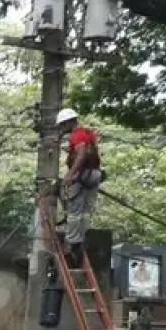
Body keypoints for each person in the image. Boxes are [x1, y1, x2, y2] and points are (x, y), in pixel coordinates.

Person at [55, 107, 103, 264]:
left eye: (63, 125)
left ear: (69, 122)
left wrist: (70, 175)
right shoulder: (89, 132)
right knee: (86, 211)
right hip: (95, 174)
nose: (63, 128)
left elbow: (81, 155)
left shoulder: (77, 135)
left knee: (73, 209)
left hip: (82, 175)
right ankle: (80, 239)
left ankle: (72, 243)